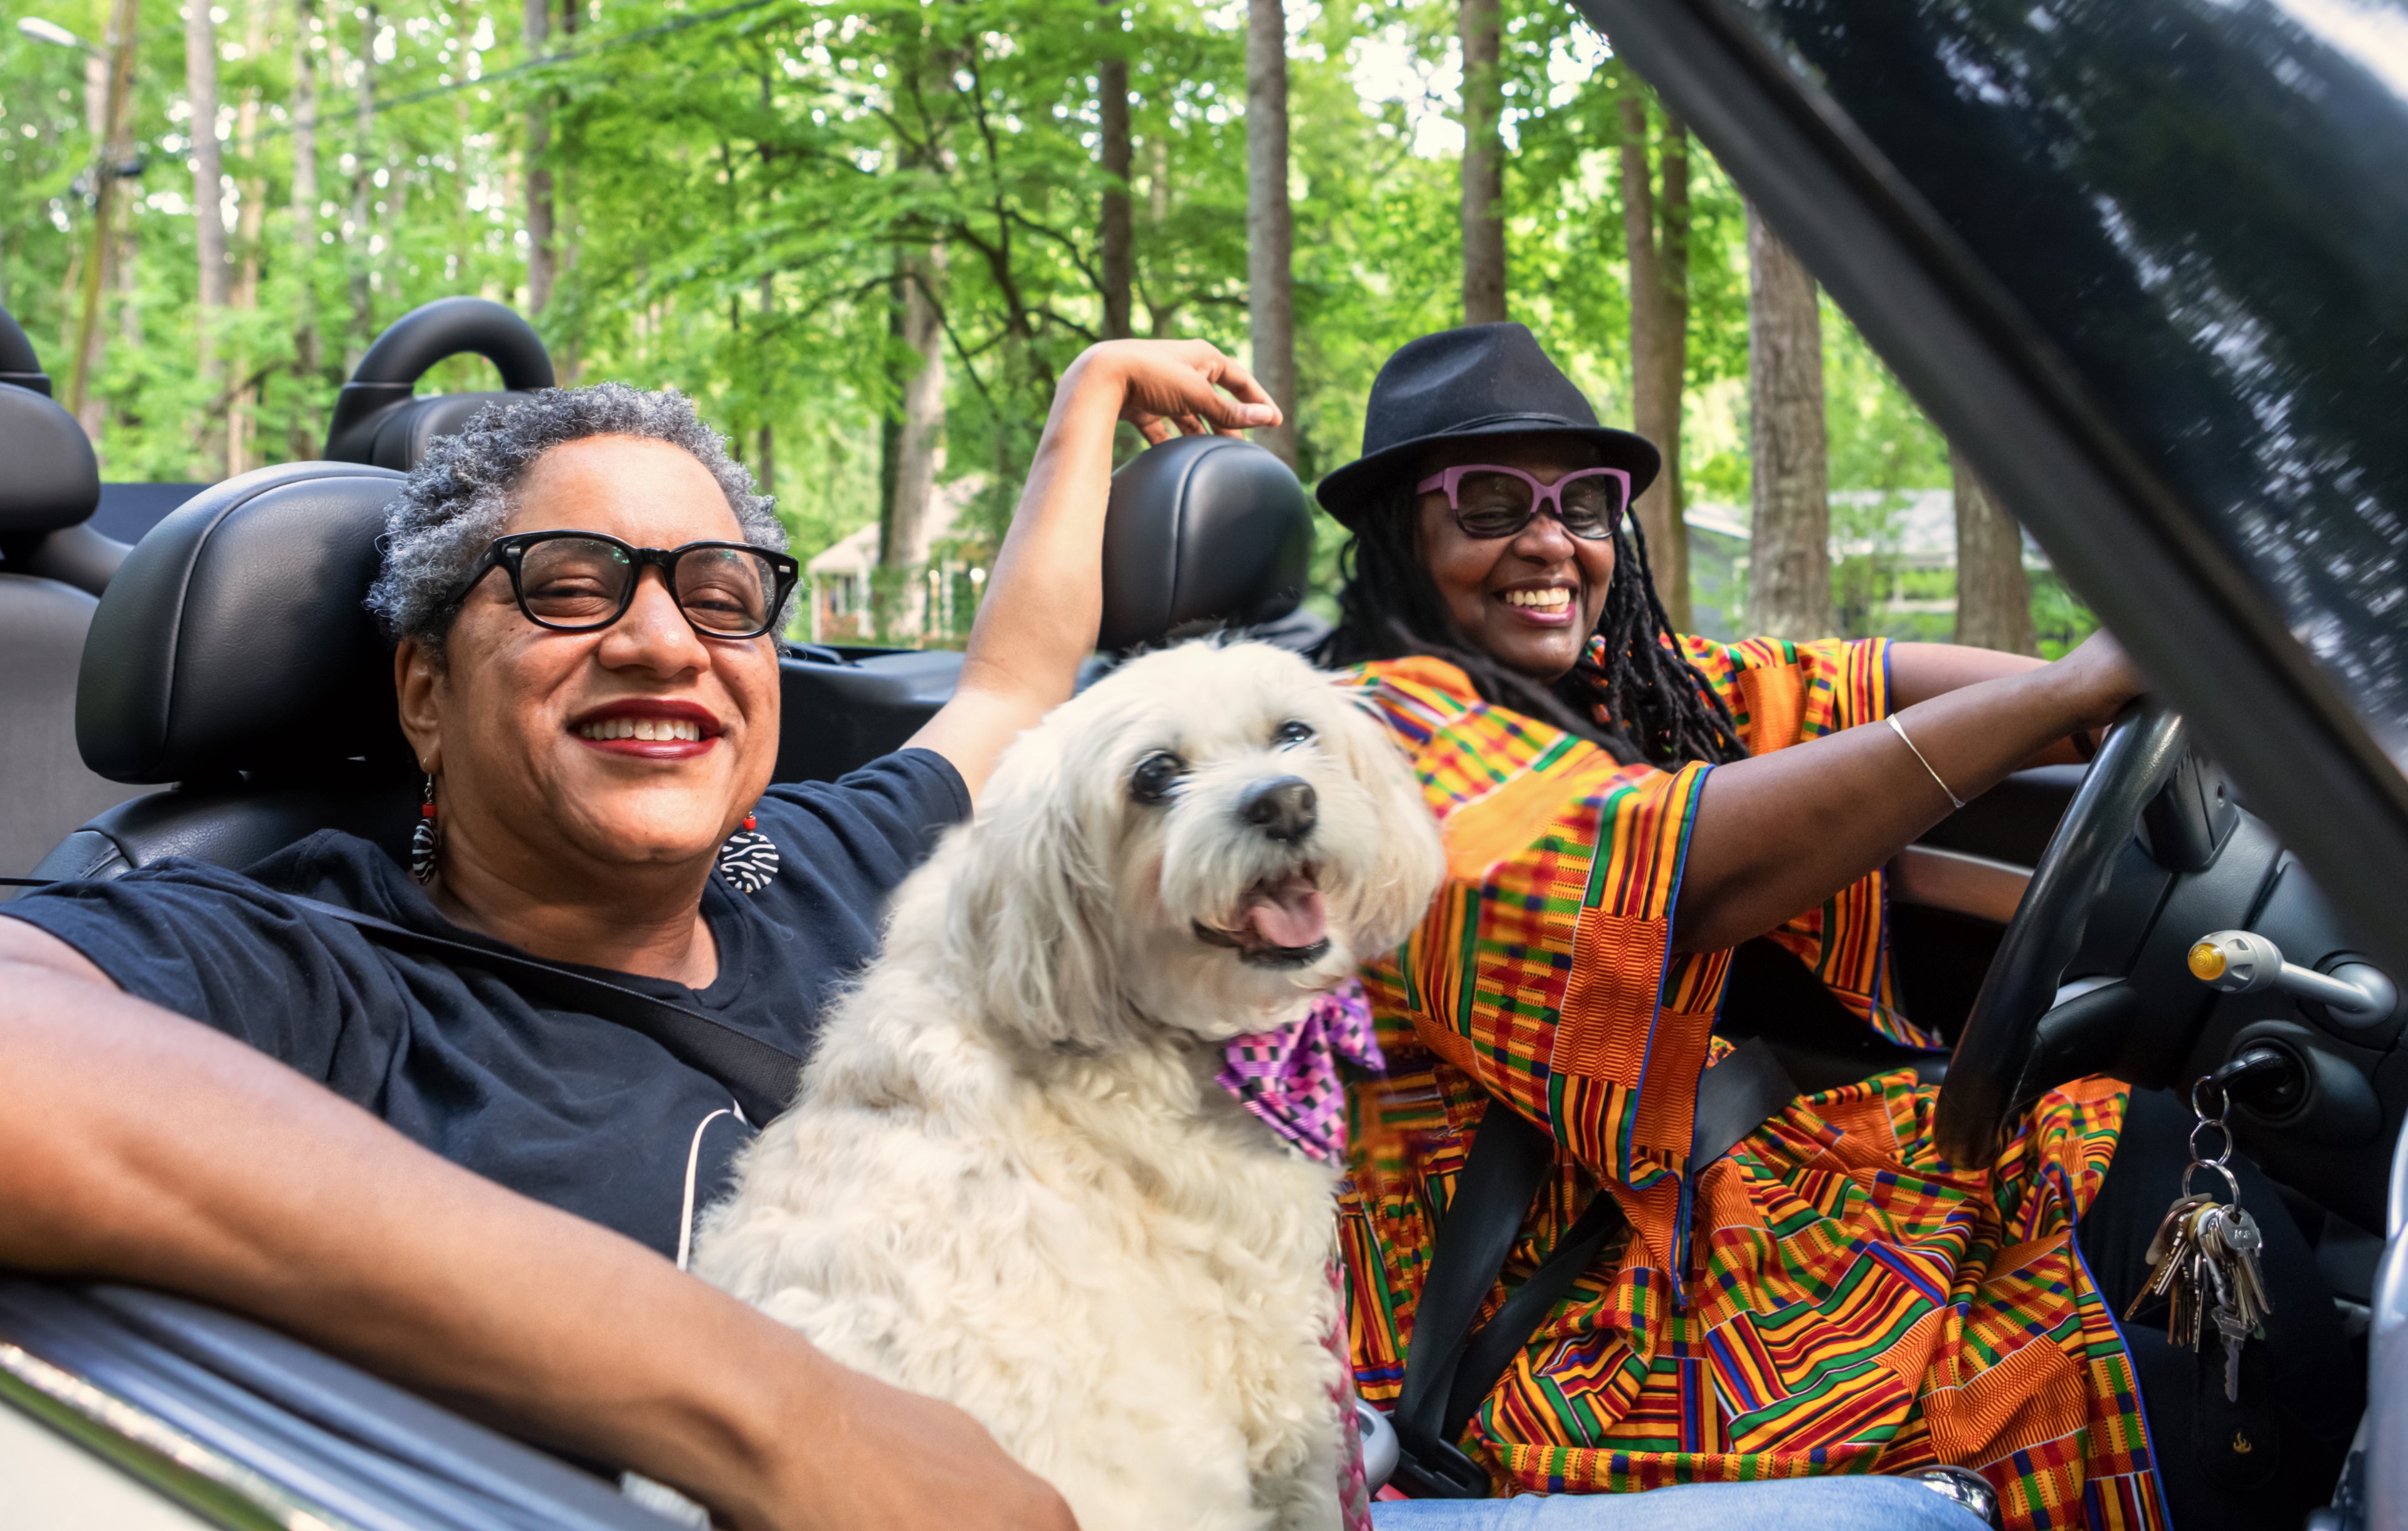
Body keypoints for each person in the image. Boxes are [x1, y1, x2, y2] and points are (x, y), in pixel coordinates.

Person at [0, 340, 1281, 1531]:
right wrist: (780, 1410)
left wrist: (1088, 395)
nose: (664, 639)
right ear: (426, 691)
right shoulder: (315, 957)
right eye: (568, 584)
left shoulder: (823, 860)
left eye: (722, 593)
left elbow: (1008, 684)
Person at [1314, 324, 2357, 1531]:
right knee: (2138, 1375)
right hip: (1561, 1318)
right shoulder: (1362, 742)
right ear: (1403, 532)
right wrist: (2060, 693)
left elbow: (1850, 684)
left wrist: (2117, 680)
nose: (1549, 539)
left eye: (1584, 503)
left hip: (1738, 1201)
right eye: (1490, 504)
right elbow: (1674, 869)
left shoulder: (1637, 686)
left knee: (2142, 1147)